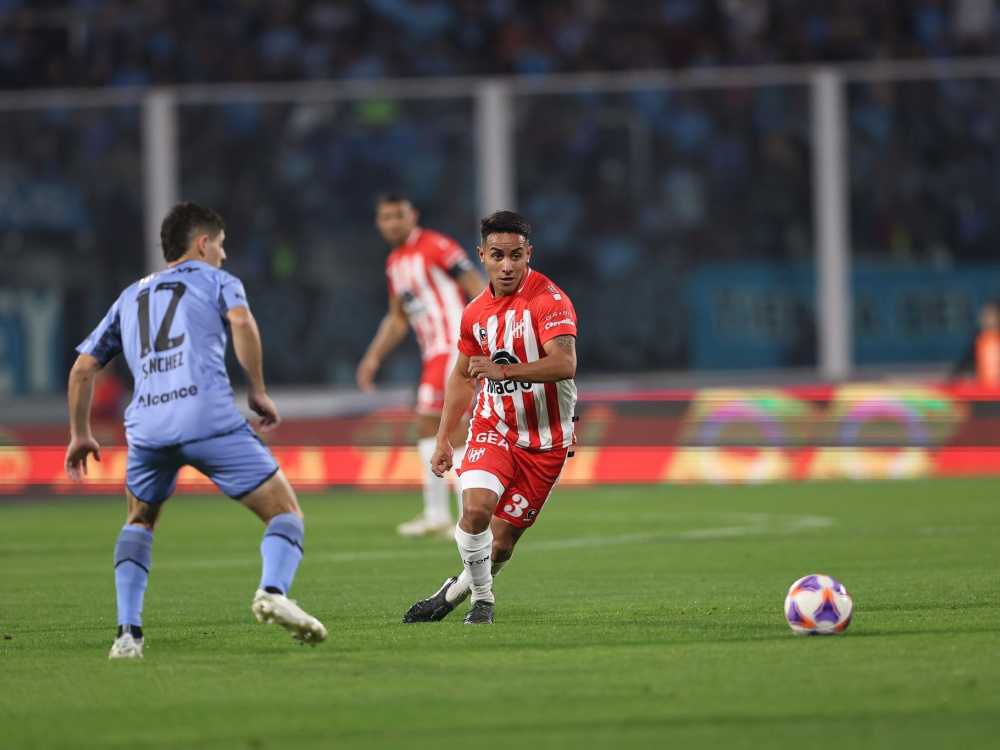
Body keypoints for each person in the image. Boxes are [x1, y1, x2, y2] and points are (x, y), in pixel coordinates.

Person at [65, 202, 327, 659]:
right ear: (202, 244)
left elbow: (84, 367)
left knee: (139, 520)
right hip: (206, 417)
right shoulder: (218, 280)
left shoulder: (128, 297)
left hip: (147, 427)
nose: (224, 256)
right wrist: (258, 389)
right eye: (221, 246)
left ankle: (128, 635)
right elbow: (242, 321)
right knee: (286, 513)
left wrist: (79, 433)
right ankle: (272, 591)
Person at [402, 210, 578, 625]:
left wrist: (504, 371)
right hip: (493, 427)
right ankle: (483, 600)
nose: (507, 265)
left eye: (516, 255)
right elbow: (463, 376)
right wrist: (445, 437)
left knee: (500, 546)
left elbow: (564, 363)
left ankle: (453, 591)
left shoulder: (549, 301)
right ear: (481, 255)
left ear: (528, 253)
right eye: (497, 255)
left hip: (546, 441)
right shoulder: (475, 312)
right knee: (476, 508)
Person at [357, 192, 486, 537]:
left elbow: (476, 285)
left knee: (450, 427)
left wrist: (489, 334)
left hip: (454, 346)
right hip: (433, 352)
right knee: (429, 427)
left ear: (413, 215)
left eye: (399, 214)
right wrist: (373, 356)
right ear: (379, 222)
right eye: (386, 217)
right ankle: (439, 514)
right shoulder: (395, 263)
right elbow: (398, 319)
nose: (393, 222)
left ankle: (465, 518)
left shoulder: (436, 245)